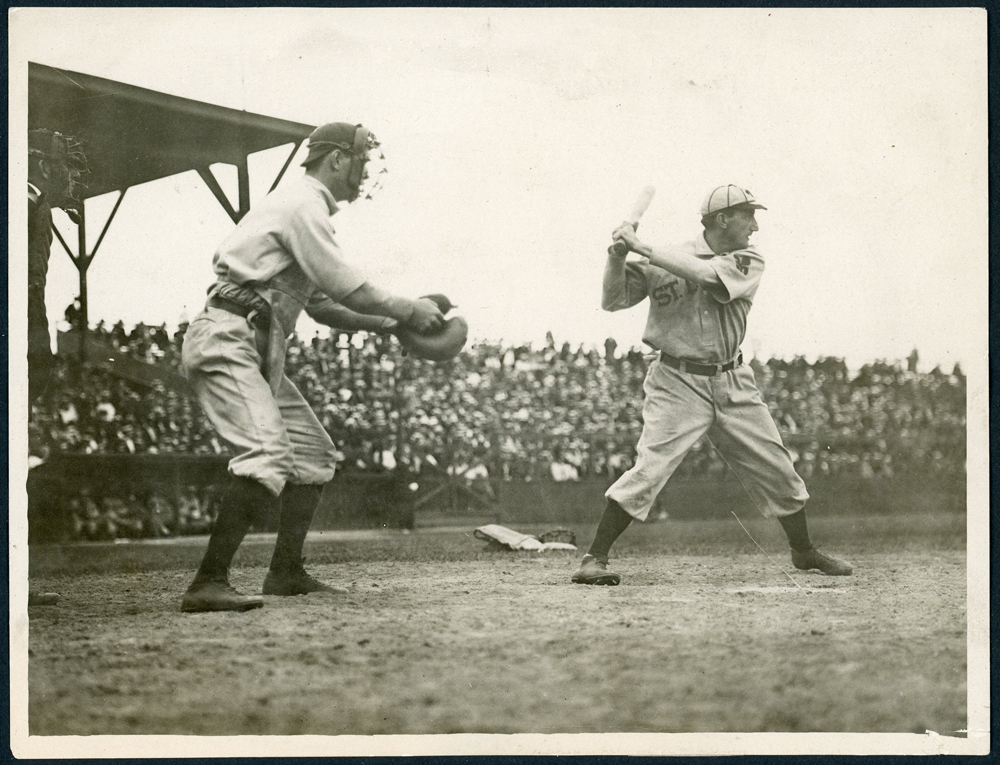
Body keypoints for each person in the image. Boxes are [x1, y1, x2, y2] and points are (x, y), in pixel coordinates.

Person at [180, 122, 445, 613]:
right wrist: (410, 310)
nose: (365, 172)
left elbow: (324, 306)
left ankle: (285, 571)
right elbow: (352, 289)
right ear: (337, 160)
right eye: (362, 160)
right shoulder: (304, 204)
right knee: (265, 456)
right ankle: (207, 582)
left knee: (313, 455)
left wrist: (391, 325)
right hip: (229, 332)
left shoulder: (303, 207)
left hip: (255, 340)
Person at [572, 185, 852, 586]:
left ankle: (803, 552)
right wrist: (616, 257)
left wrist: (641, 246)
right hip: (676, 382)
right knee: (649, 468)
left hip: (733, 380)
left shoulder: (748, 259)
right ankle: (593, 557)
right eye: (748, 216)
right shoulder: (663, 257)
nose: (754, 226)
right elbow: (613, 300)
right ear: (723, 219)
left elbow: (705, 274)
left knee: (778, 469)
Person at [27, 129, 89, 607]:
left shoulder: (34, 203)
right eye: (65, 165)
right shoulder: (26, 200)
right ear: (44, 168)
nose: (74, 174)